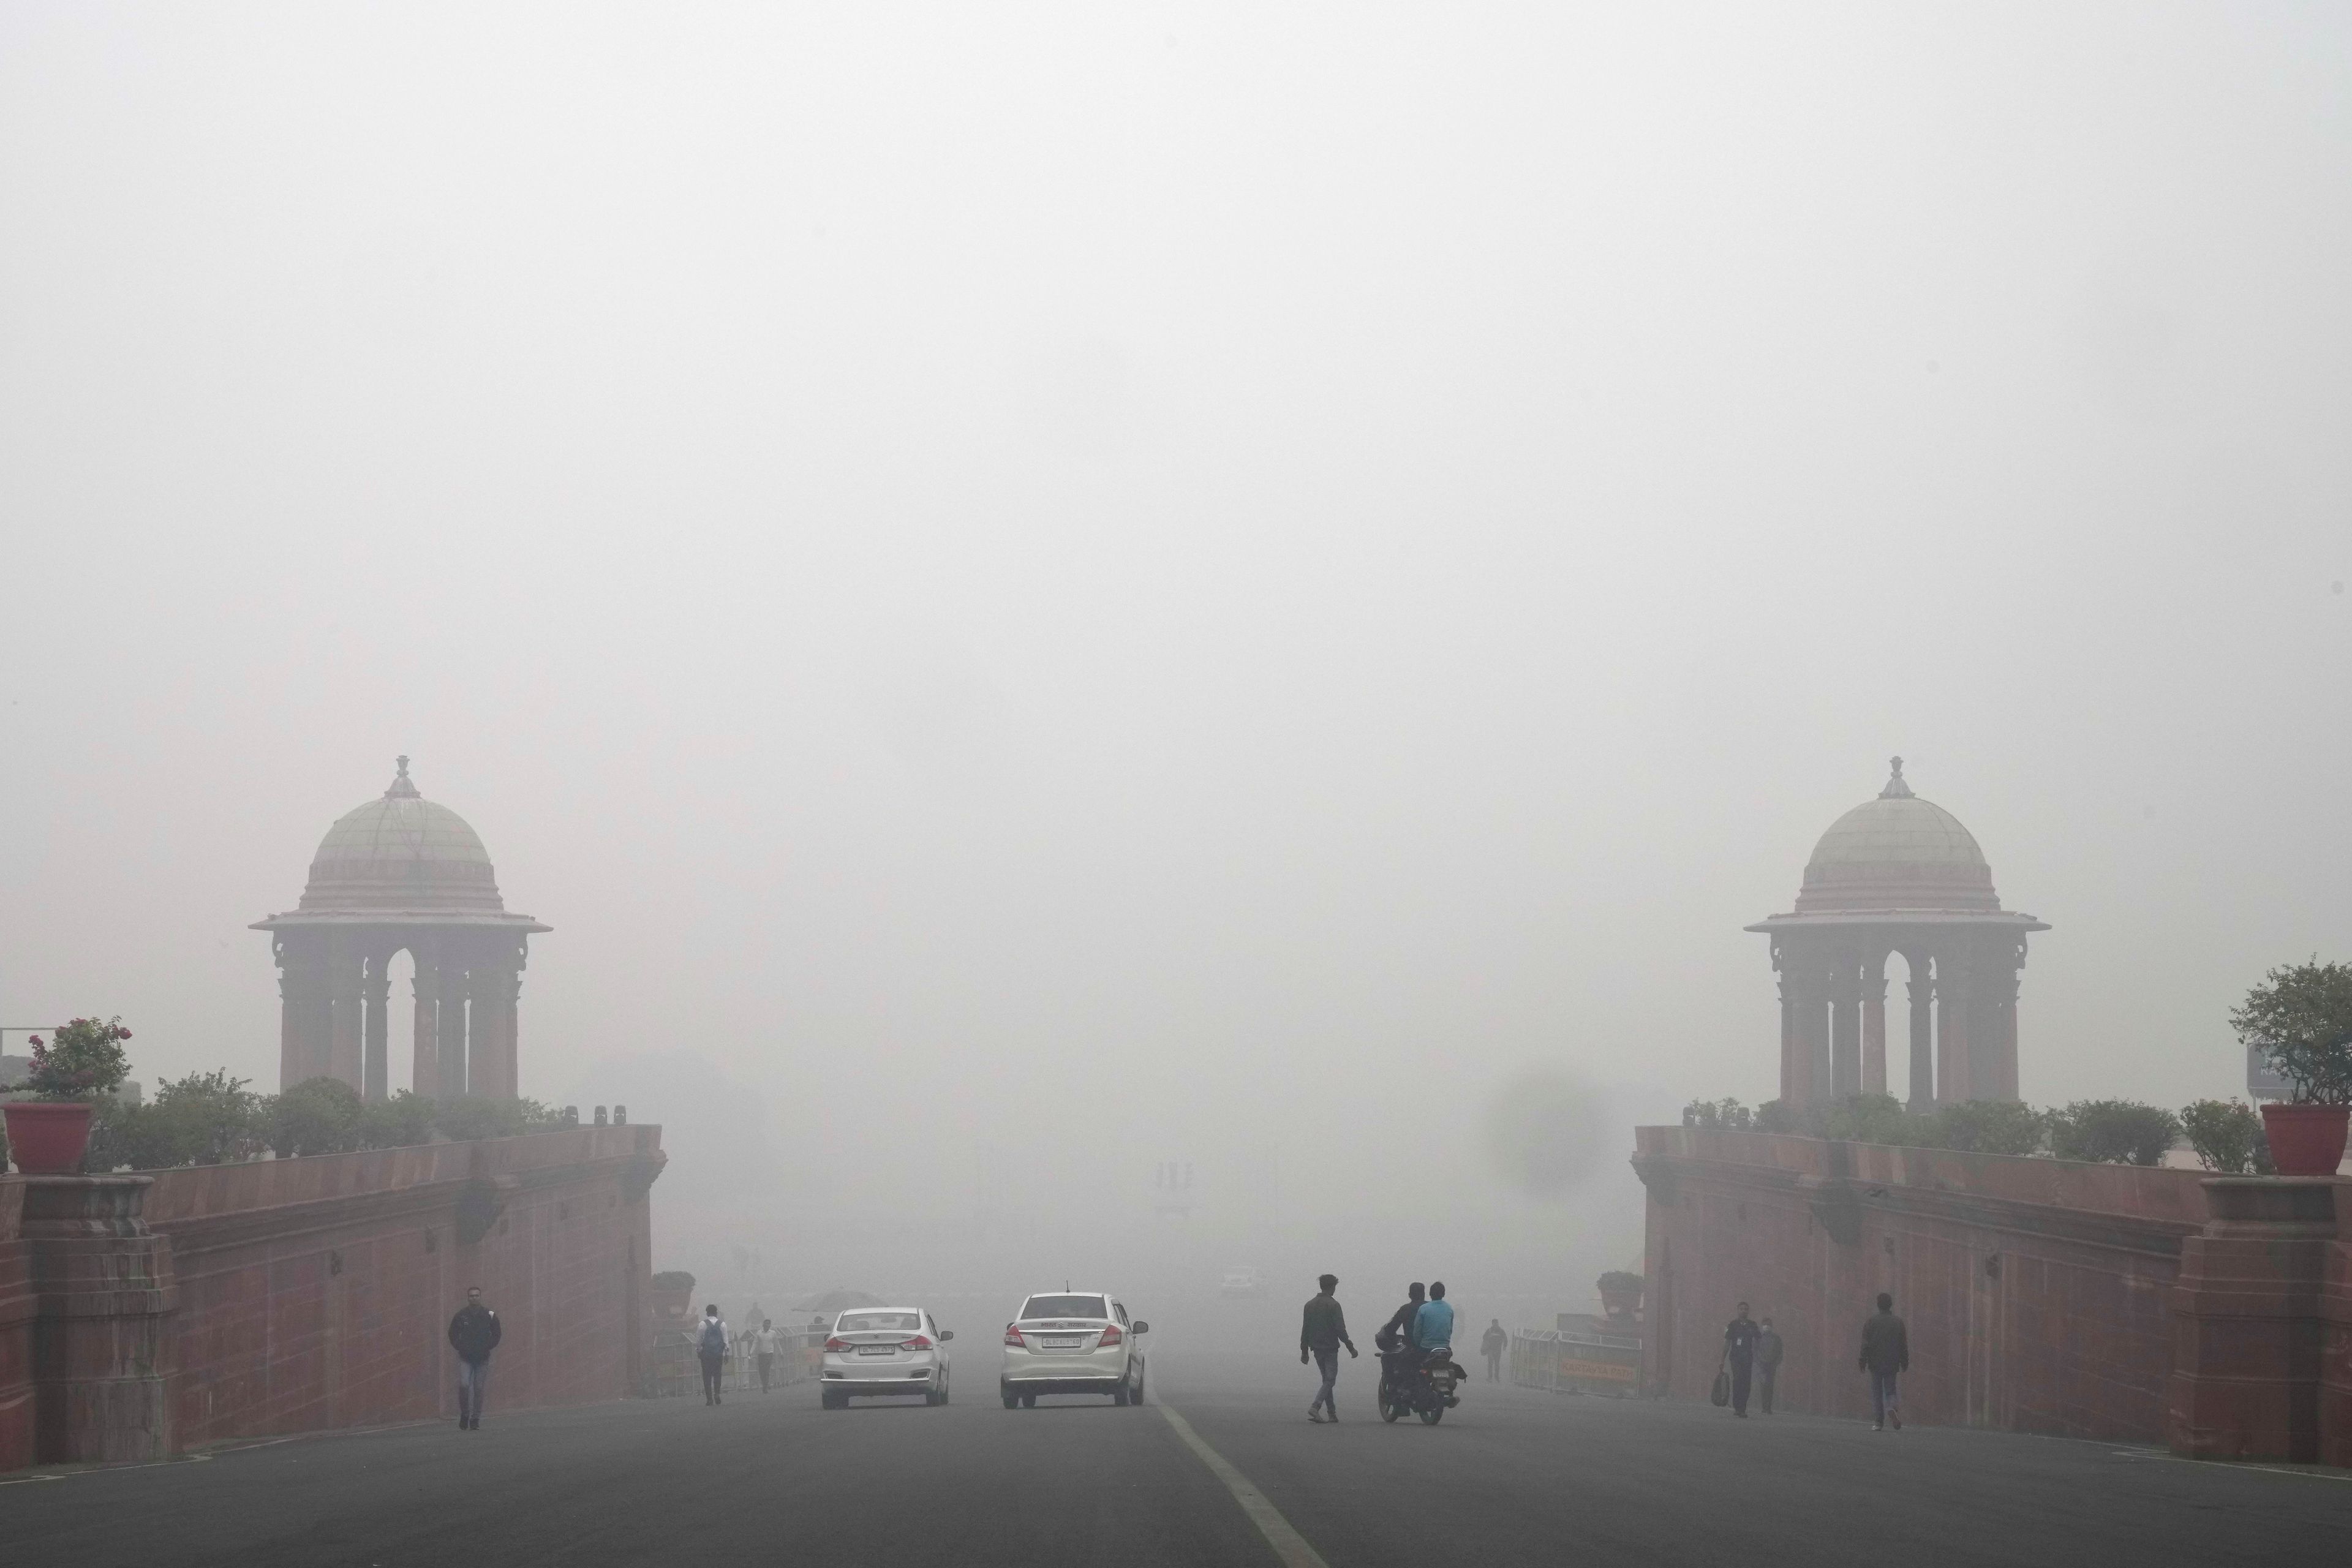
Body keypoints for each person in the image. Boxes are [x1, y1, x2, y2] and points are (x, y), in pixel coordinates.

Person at [1298, 1273, 1359, 1423]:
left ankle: (1332, 1413)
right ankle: (1315, 1406)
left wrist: (1304, 1351)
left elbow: (1305, 1329)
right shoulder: (1334, 1305)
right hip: (1331, 1348)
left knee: (1327, 1380)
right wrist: (1351, 1347)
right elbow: (1340, 1329)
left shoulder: (1309, 1305)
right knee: (1330, 1380)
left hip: (1316, 1348)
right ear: (1333, 1287)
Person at [447, 1284, 502, 1431]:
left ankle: (475, 1419)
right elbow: (452, 1333)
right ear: (468, 1298)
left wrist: (488, 1346)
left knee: (478, 1388)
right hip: (465, 1357)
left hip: (483, 1358)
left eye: (477, 1295)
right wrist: (459, 1346)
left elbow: (497, 1333)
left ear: (480, 1297)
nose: (474, 1298)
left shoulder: (489, 1314)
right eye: (472, 1296)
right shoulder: (461, 1315)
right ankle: (465, 1415)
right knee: (464, 1386)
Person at [1860, 1292, 1909, 1431]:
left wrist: (1862, 1360)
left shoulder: (1871, 1322)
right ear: (1891, 1305)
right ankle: (1892, 1407)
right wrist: (1905, 1361)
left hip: (1875, 1361)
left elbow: (1866, 1344)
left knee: (1877, 1392)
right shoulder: (1898, 1322)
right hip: (1892, 1361)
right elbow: (1903, 1345)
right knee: (1890, 1389)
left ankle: (1879, 1422)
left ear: (1878, 1305)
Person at [1374, 1282, 1427, 1406]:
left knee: (1389, 1358)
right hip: (1433, 1348)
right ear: (1424, 1294)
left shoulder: (1406, 1309)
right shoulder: (1430, 1308)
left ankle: (1399, 1391)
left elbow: (1391, 1328)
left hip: (1413, 1347)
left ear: (1409, 1295)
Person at [1723, 1301, 1760, 1417]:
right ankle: (1738, 1407)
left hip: (1748, 1358)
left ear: (1748, 1311)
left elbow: (1759, 1339)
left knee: (1746, 1383)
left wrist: (1757, 1353)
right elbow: (1728, 1342)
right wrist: (1722, 1359)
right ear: (1738, 1311)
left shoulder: (1752, 1325)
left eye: (1746, 1309)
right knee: (1738, 1380)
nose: (1744, 1311)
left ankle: (1743, 1408)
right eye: (1741, 1309)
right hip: (1735, 1358)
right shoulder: (1733, 1325)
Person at [697, 1304, 730, 1406]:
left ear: (707, 1313)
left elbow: (698, 1340)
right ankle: (717, 1393)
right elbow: (726, 1340)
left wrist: (699, 1351)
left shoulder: (702, 1324)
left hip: (706, 1354)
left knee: (707, 1376)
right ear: (716, 1313)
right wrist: (726, 1353)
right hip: (718, 1354)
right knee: (717, 1374)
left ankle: (709, 1399)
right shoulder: (722, 1324)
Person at [1755, 1317, 1784, 1415]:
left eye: (1769, 1325)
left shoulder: (1776, 1338)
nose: (1767, 1326)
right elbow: (1755, 1351)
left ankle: (1768, 1407)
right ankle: (1765, 1407)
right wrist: (1758, 1362)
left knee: (1769, 1386)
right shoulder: (1758, 1337)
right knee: (1764, 1386)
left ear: (1771, 1327)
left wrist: (1776, 1363)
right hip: (1761, 1365)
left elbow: (1780, 1352)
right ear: (1762, 1326)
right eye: (1765, 1325)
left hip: (1772, 1365)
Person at [753, 1318, 781, 1393]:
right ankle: (764, 1385)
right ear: (763, 1325)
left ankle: (765, 1387)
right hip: (761, 1354)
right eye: (766, 1324)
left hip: (769, 1354)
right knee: (761, 1371)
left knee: (767, 1370)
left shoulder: (773, 1333)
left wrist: (781, 1352)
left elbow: (776, 1343)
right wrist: (751, 1352)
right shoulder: (759, 1333)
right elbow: (755, 1343)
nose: (767, 1326)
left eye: (768, 1324)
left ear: (770, 1325)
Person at [1481, 1318, 1508, 1382]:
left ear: (1497, 1323)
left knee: (1497, 1364)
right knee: (1491, 1364)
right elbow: (1484, 1337)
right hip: (1491, 1350)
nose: (1495, 1324)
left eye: (1496, 1323)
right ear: (1492, 1324)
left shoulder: (1500, 1331)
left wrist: (1505, 1346)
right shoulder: (1491, 1331)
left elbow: (1505, 1339)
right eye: (1494, 1323)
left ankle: (1496, 1377)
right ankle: (1491, 1377)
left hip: (1498, 1350)